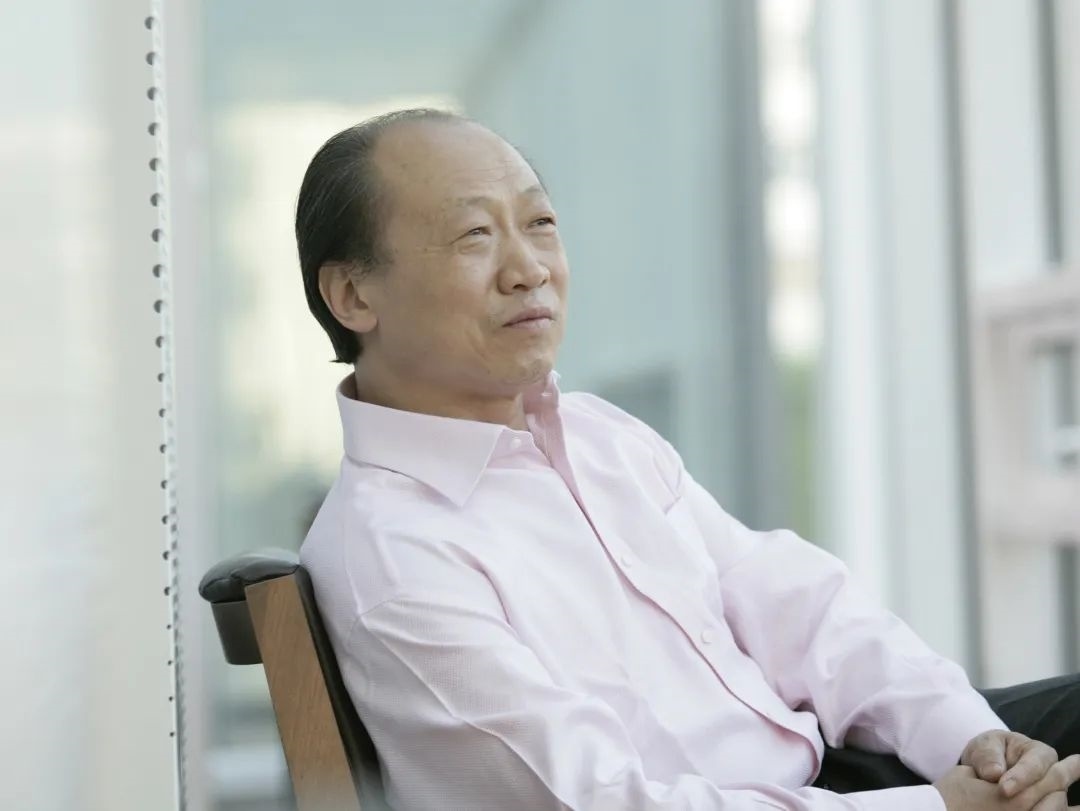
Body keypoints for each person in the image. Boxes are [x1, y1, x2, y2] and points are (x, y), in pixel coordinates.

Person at [296, 108, 1080, 811]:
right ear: (354, 296)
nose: (529, 268)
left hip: (822, 774)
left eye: (540, 223)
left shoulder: (597, 435)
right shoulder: (392, 555)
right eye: (475, 235)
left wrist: (972, 742)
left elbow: (801, 609)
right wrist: (935, 810)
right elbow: (597, 802)